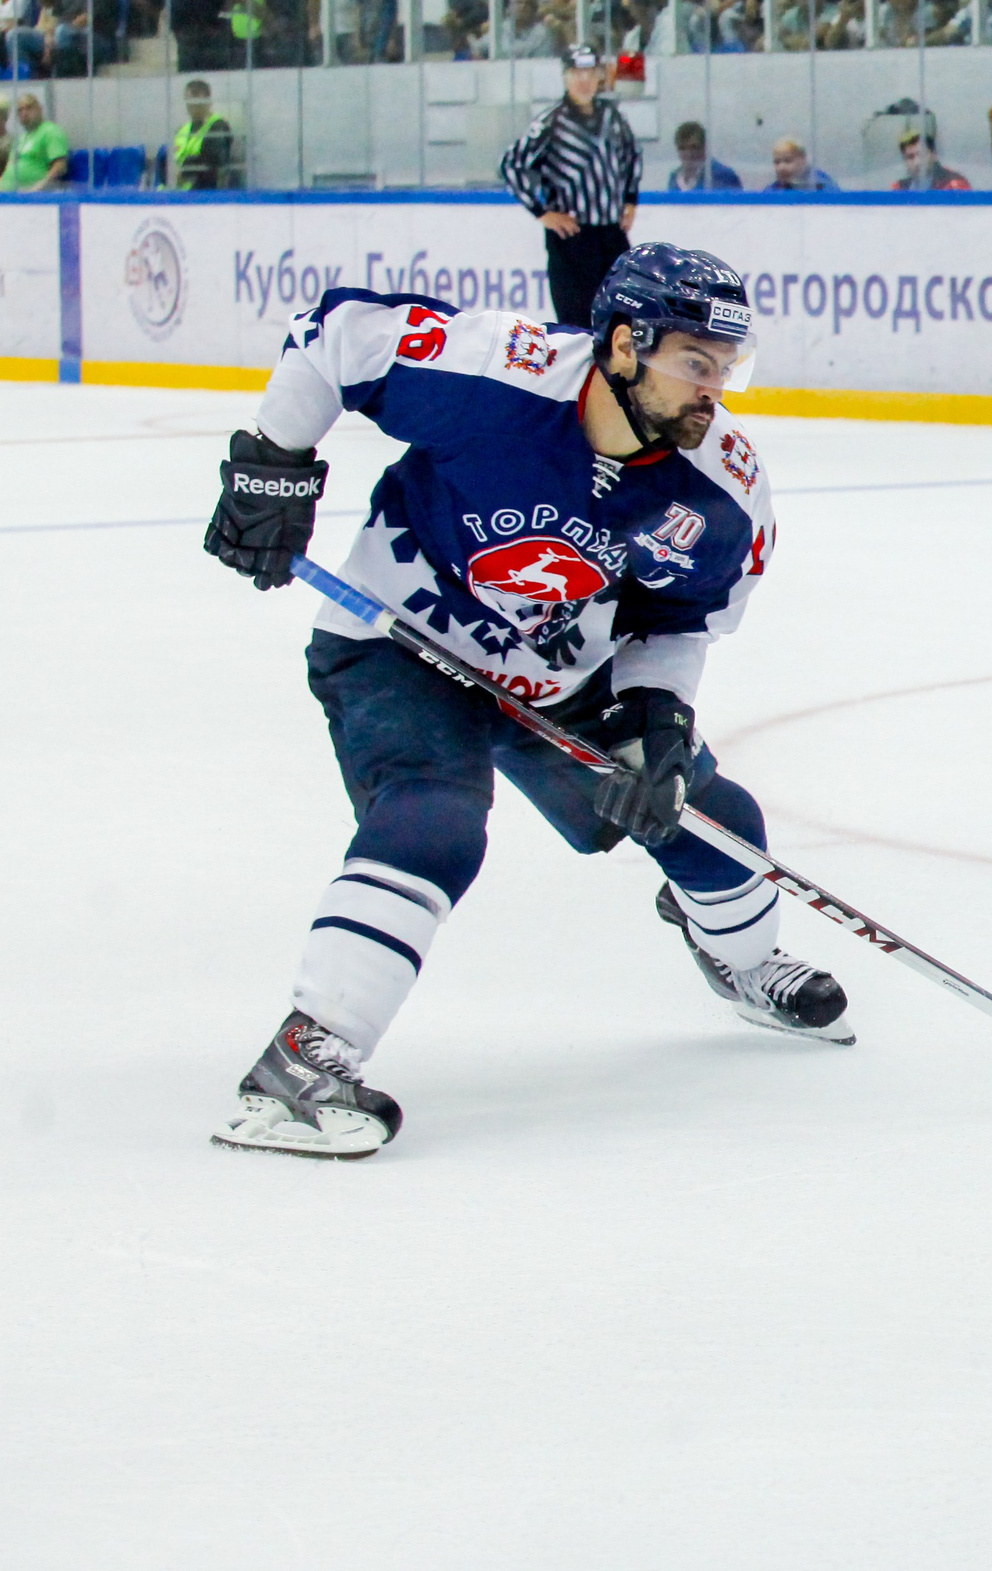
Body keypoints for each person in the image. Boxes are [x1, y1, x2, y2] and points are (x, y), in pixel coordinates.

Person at [198, 244, 847, 1161]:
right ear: (624, 346)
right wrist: (273, 466)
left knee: (711, 819)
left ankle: (740, 964)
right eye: (696, 363)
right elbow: (333, 337)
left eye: (727, 367)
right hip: (399, 643)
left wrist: (658, 722)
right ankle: (303, 1062)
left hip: (559, 682)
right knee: (436, 817)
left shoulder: (720, 490)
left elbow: (681, 615)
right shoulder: (496, 374)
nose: (717, 391)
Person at [498, 46, 643, 327]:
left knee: (621, 322)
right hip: (573, 238)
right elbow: (511, 165)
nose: (583, 80)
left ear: (599, 76)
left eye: (589, 73)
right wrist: (542, 213)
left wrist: (630, 198)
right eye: (577, 73)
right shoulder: (550, 123)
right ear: (566, 77)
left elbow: (631, 154)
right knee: (578, 325)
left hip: (611, 236)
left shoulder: (612, 118)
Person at [170, 77, 232, 190]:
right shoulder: (183, 130)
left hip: (204, 191)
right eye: (189, 101)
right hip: (180, 191)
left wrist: (185, 170)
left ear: (208, 101)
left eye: (197, 101)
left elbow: (213, 160)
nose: (192, 106)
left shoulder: (218, 126)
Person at [1, 91, 68, 190]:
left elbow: (60, 166)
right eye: (20, 110)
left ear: (39, 109)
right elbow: (9, 169)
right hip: (6, 195)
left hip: (30, 196)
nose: (24, 113)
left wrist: (37, 188)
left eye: (29, 108)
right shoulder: (21, 138)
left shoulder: (50, 131)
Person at [890, 121, 969, 190]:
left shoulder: (954, 185)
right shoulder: (899, 188)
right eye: (910, 157)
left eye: (921, 155)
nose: (917, 162)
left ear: (934, 155)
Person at [490, 0, 563, 60]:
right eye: (518, 2)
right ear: (509, 8)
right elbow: (481, 48)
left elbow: (541, 63)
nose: (523, 6)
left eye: (528, 3)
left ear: (534, 9)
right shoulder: (500, 30)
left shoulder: (542, 34)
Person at [668, 119, 743, 191]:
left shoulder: (723, 176)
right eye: (682, 148)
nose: (689, 154)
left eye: (694, 148)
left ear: (704, 147)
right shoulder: (674, 178)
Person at [769, 135, 840, 190]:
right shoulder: (774, 189)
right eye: (777, 162)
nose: (781, 167)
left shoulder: (821, 185)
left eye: (787, 161)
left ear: (803, 160)